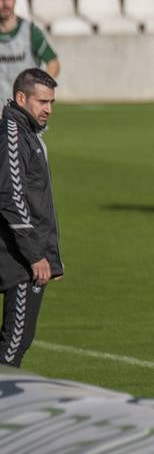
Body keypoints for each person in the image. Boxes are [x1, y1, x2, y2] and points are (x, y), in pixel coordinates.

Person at [1, 68, 62, 368]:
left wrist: (52, 257)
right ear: (21, 98)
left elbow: (39, 204)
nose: (48, 109)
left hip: (29, 257)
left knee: (18, 341)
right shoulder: (13, 134)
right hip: (20, 261)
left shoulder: (30, 135)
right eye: (42, 102)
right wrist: (37, 256)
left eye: (51, 102)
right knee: (14, 345)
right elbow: (11, 198)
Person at [0, 0, 60, 93]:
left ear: (15, 0)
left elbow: (53, 63)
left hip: (23, 107)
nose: (5, 4)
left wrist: (42, 86)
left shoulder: (30, 32)